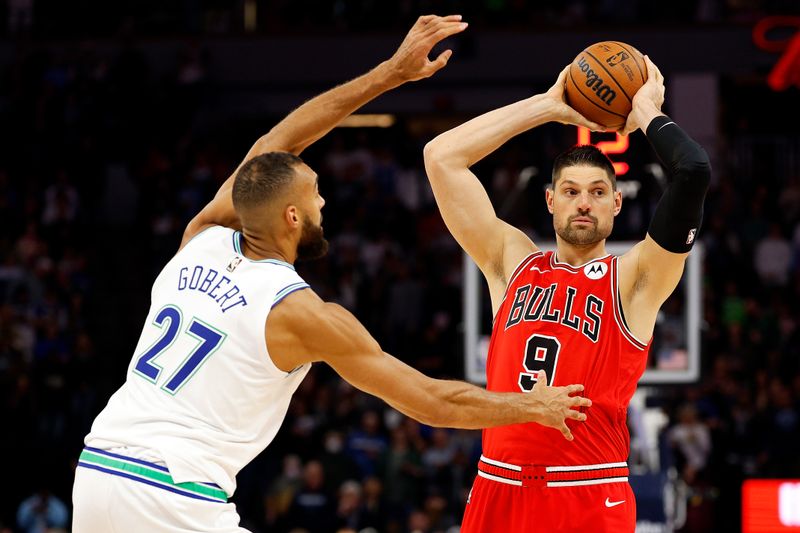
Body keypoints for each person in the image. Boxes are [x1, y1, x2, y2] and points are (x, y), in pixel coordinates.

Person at [71, 15, 592, 533]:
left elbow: (279, 143)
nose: (324, 200)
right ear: (292, 217)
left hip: (98, 469)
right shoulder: (300, 313)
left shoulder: (199, 239)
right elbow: (431, 401)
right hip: (174, 494)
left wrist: (391, 73)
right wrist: (530, 405)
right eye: (314, 193)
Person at [423, 57, 711, 532]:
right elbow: (440, 157)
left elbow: (694, 169)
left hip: (587, 489)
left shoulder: (635, 277)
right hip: (497, 486)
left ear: (617, 204)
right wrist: (547, 105)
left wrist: (645, 114)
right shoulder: (511, 261)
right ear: (550, 200)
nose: (584, 202)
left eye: (598, 192)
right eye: (571, 190)